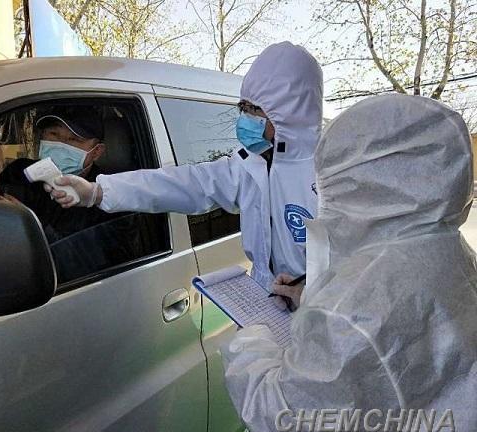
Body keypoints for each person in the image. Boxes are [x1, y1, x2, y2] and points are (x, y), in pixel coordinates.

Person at [222, 94, 477, 432]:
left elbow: (290, 424)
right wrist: (313, 298)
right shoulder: (443, 246)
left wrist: (251, 339)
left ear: (362, 185)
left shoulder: (363, 303)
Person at [46, 42, 324, 295]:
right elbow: (186, 183)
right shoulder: (253, 163)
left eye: (255, 110)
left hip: (315, 315)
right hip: (266, 302)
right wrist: (98, 191)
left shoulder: (328, 176)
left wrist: (310, 297)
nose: (246, 118)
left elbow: (348, 270)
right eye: (244, 107)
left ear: (290, 114)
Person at [0, 108, 111, 242]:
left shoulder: (104, 195)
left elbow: (82, 257)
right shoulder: (20, 171)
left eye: (74, 139)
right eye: (54, 134)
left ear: (96, 152)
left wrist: (29, 223)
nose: (61, 144)